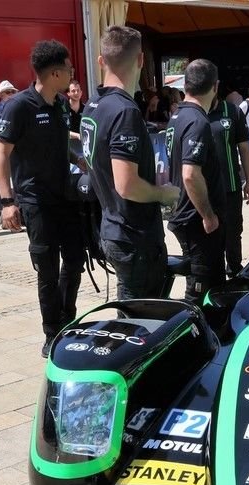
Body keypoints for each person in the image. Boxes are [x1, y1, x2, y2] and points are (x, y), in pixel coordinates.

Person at [0, 40, 86, 357]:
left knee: (74, 261)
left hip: (66, 197)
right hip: (35, 202)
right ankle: (52, 332)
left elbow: (60, 144)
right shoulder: (19, 106)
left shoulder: (61, 105)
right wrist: (8, 203)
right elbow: (0, 155)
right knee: (47, 269)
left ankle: (67, 320)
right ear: (56, 72)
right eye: (70, 69)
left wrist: (79, 160)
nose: (74, 74)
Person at [81, 26, 179, 304]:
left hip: (112, 227)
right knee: (140, 322)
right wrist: (164, 193)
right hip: (133, 235)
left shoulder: (93, 104)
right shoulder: (124, 111)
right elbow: (127, 185)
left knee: (132, 312)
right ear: (140, 61)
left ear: (101, 61)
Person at [166, 59, 226, 303]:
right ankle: (194, 335)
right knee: (200, 287)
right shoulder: (197, 121)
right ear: (215, 86)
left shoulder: (178, 116)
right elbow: (190, 174)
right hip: (196, 220)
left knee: (210, 281)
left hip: (187, 215)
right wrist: (208, 215)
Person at [207, 94, 249, 278]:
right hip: (204, 190)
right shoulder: (192, 111)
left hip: (230, 187)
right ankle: (213, 277)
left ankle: (235, 274)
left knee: (233, 235)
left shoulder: (232, 111)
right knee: (210, 237)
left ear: (215, 87)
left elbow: (244, 149)